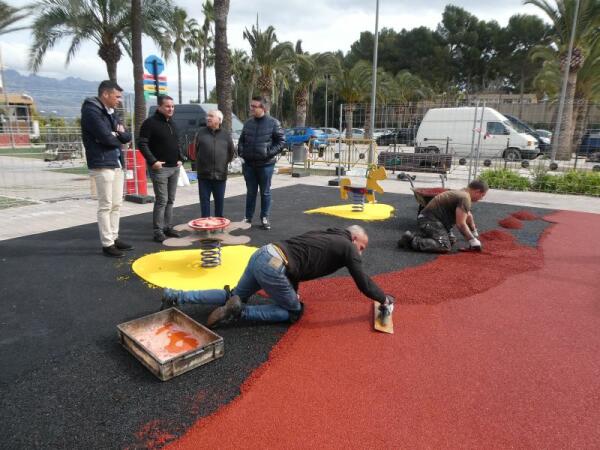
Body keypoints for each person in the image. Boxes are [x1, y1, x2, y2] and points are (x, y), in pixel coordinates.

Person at [160, 225, 395, 328]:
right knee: (293, 311)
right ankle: (240, 312)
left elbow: (300, 263)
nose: (360, 253)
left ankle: (176, 296)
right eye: (362, 247)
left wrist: (293, 288)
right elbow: (363, 281)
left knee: (232, 294)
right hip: (274, 265)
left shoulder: (324, 234)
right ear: (354, 240)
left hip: (263, 253)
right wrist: (384, 300)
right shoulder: (347, 248)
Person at [81, 80, 133, 258]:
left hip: (116, 162)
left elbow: (126, 135)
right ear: (105, 94)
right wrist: (115, 135)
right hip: (102, 163)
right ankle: (107, 243)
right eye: (117, 96)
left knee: (117, 204)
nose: (119, 100)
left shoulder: (112, 112)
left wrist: (116, 134)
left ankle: (114, 237)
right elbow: (105, 137)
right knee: (106, 205)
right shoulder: (91, 111)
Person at [398, 179, 489, 253]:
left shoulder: (462, 193)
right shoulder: (465, 198)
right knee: (444, 246)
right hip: (430, 221)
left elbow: (468, 215)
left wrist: (474, 232)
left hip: (434, 221)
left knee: (451, 240)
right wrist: (472, 241)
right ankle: (411, 240)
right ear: (477, 192)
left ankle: (424, 236)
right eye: (482, 195)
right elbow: (461, 224)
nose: (481, 199)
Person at [138, 95, 184, 243]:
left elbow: (177, 143)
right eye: (167, 106)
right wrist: (153, 161)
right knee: (162, 200)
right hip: (160, 168)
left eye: (172, 106)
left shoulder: (173, 123)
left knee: (171, 200)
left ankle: (167, 227)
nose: (171, 109)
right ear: (159, 107)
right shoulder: (149, 123)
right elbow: (142, 143)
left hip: (174, 167)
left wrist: (180, 158)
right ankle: (158, 231)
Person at [237, 96, 285, 230]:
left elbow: (281, 142)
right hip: (249, 165)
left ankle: (264, 217)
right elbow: (241, 140)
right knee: (251, 192)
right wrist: (241, 153)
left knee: (265, 192)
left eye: (254, 106)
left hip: (266, 165)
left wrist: (268, 153)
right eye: (251, 106)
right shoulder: (248, 123)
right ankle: (247, 217)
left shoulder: (274, 123)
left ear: (262, 108)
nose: (251, 108)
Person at [194, 109, 235, 217]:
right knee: (204, 202)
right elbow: (195, 151)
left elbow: (231, 153)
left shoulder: (226, 135)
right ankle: (205, 227)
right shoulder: (200, 133)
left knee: (219, 203)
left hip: (220, 175)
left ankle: (218, 226)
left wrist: (222, 164)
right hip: (204, 175)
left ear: (219, 120)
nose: (208, 118)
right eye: (207, 116)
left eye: (211, 116)